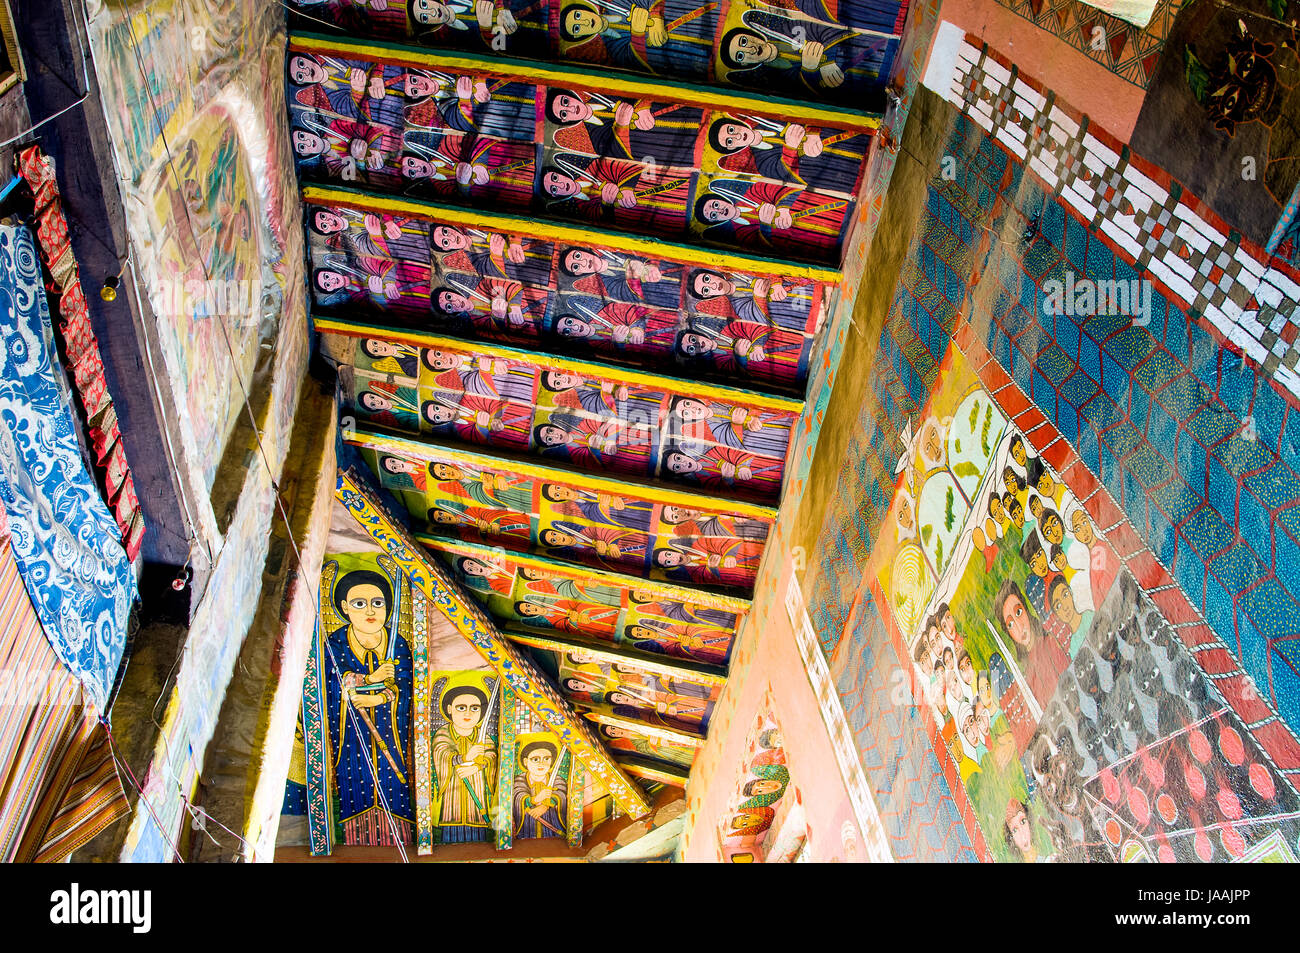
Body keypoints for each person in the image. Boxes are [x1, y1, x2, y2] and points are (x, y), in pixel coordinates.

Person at [324, 569, 414, 837]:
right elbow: (331, 681)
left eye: (377, 602)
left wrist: (378, 697)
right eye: (359, 604)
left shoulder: (397, 643)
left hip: (390, 730)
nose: (370, 610)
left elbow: (406, 687)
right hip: (351, 733)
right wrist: (369, 678)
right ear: (344, 608)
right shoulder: (337, 642)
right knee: (355, 778)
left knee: (393, 783)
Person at [432, 682, 498, 842]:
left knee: (478, 837)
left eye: (475, 708)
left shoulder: (484, 737)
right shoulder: (443, 733)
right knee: (451, 831)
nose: (468, 712)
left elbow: (491, 756)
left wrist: (476, 767)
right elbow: (441, 752)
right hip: (451, 797)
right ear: (449, 709)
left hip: (477, 792)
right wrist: (464, 758)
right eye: (461, 707)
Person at [995, 579, 1068, 708]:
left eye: (1018, 612)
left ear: (1026, 608)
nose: (1019, 626)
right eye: (1010, 624)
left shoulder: (1049, 643)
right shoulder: (1027, 673)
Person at [513, 741, 567, 838]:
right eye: (535, 759)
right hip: (527, 828)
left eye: (546, 759)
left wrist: (546, 806)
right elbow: (518, 795)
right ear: (525, 761)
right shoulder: (520, 780)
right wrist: (535, 799)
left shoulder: (557, 780)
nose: (541, 763)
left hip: (553, 827)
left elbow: (562, 794)